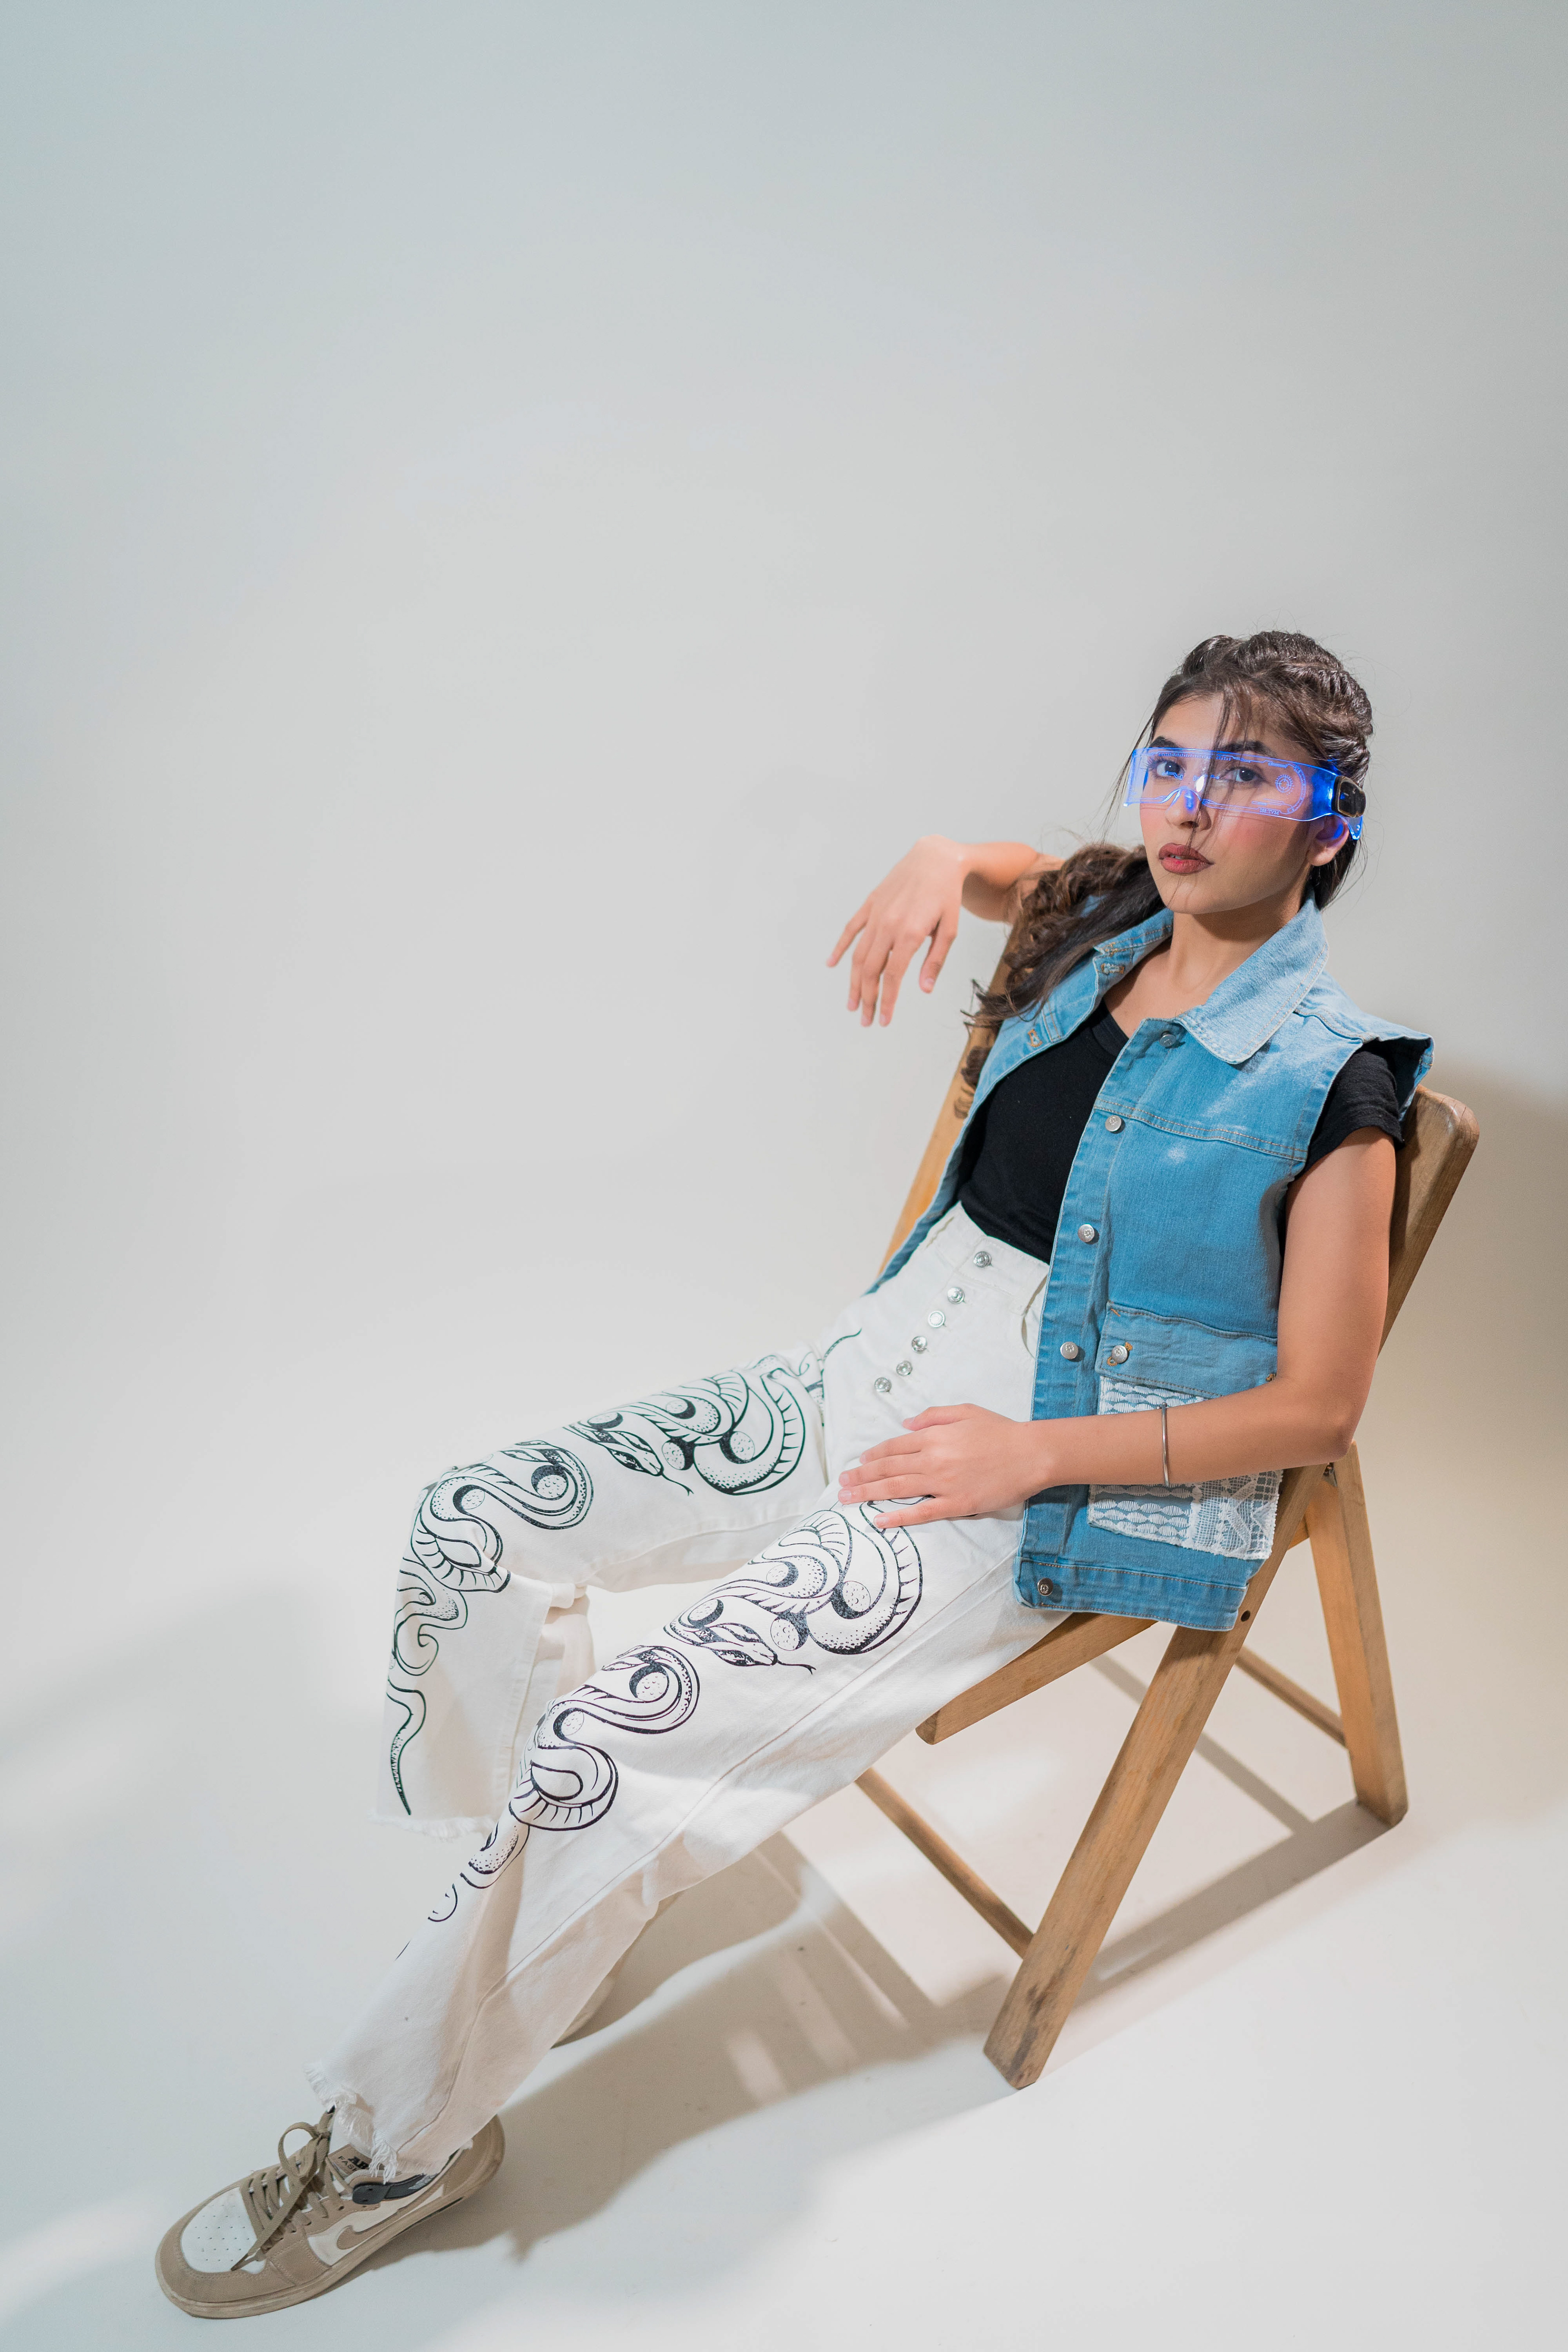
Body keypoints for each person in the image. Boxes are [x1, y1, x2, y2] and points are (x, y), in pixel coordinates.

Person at [156, 630, 1431, 2317]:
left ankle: (398, 2139)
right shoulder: (1115, 915)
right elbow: (1010, 870)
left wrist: (1032, 1454)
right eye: (1171, 762)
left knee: (613, 1741)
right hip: (865, 1373)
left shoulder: (1336, 1083)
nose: (1194, 806)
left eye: (1248, 776)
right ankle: (524, 1928)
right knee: (473, 1522)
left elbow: (1321, 1409)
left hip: (1027, 1468)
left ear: (1329, 825)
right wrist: (939, 855)